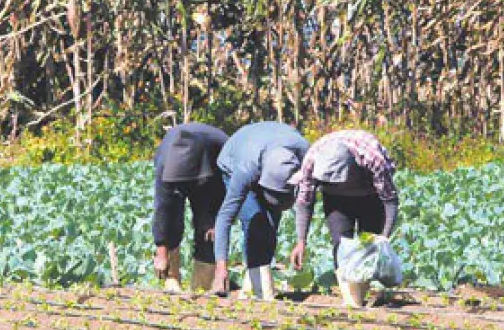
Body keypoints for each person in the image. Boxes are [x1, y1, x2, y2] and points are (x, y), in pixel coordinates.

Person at [212, 121, 309, 298]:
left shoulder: (306, 158)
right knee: (254, 218)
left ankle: (257, 283)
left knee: (271, 223)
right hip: (234, 157)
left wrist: (301, 241)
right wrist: (221, 267)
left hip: (264, 146)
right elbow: (225, 216)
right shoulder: (245, 170)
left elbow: (305, 202)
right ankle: (257, 288)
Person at [290, 129, 399, 272]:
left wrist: (384, 236)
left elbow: (390, 200)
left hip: (370, 195)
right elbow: (305, 202)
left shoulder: (373, 158)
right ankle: (347, 290)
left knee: (369, 246)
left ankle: (364, 288)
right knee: (341, 245)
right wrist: (301, 241)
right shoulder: (312, 160)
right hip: (335, 199)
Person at [152, 122, 229, 292]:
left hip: (211, 165)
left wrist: (211, 220)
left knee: (209, 230)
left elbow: (225, 200)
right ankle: (172, 281)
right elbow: (163, 210)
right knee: (172, 218)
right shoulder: (165, 167)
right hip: (175, 162)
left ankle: (202, 285)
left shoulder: (221, 152)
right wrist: (161, 251)